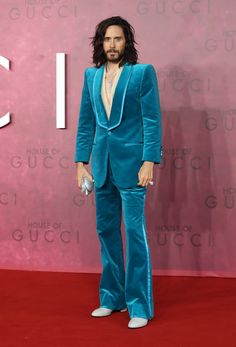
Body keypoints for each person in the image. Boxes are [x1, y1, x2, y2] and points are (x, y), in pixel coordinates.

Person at [74, 16, 162, 329]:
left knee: (135, 233)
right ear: (100, 43)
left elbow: (152, 120)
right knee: (106, 232)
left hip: (134, 165)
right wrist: (80, 163)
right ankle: (112, 297)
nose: (112, 45)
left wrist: (149, 160)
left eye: (118, 39)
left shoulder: (141, 74)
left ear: (127, 43)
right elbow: (87, 122)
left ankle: (140, 305)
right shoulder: (90, 76)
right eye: (107, 40)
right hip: (101, 166)